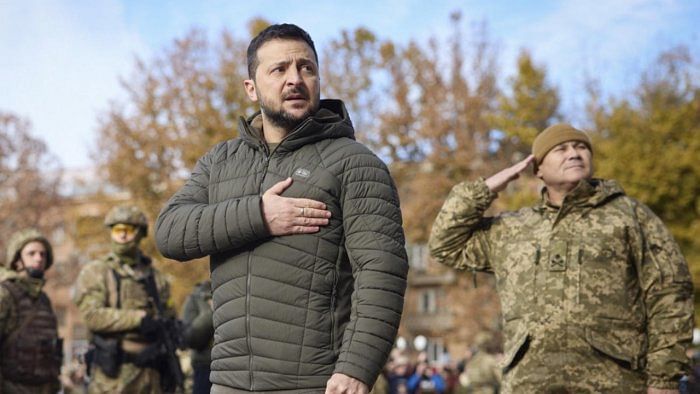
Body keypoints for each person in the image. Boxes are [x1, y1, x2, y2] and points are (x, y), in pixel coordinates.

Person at [155, 23, 409, 393]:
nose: (295, 79)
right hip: (228, 384)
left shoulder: (355, 162)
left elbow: (382, 272)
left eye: (306, 68)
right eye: (279, 69)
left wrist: (357, 368)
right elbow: (169, 232)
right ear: (251, 87)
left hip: (315, 384)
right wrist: (259, 215)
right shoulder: (220, 161)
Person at [429, 123, 694, 393]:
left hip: (615, 382)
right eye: (561, 149)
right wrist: (487, 188)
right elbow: (444, 244)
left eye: (581, 147)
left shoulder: (628, 216)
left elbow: (670, 292)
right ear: (539, 169)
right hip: (529, 384)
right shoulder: (511, 229)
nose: (574, 154)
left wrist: (664, 380)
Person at [74, 205, 176, 393]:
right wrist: (137, 319)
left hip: (151, 373)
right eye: (117, 230)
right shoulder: (98, 271)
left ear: (139, 234)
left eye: (127, 231)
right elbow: (92, 316)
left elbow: (168, 317)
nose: (122, 236)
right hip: (113, 377)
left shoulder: (156, 278)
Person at [0, 228, 62, 393]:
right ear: (17, 260)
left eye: (43, 254)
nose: (38, 258)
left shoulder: (43, 300)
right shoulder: (5, 294)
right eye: (31, 253)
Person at [181, 279, 214, 394]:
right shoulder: (195, 298)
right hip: (205, 368)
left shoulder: (235, 291)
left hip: (235, 367)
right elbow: (190, 339)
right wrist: (211, 313)